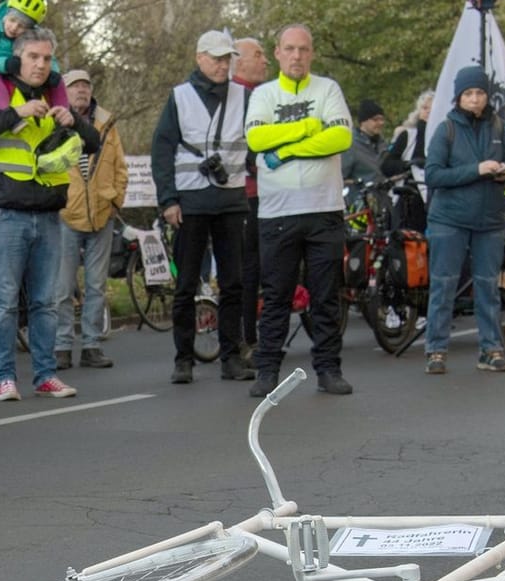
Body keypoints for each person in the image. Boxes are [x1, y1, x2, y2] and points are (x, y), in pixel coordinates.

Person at [0, 25, 97, 401]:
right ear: (18, 57)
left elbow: (95, 143)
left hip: (48, 214)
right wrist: (15, 113)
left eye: (46, 58)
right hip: (4, 213)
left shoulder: (56, 94)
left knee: (46, 301)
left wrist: (74, 121)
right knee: (5, 300)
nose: (40, 65)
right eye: (33, 57)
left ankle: (45, 375)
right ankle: (5, 379)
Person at [244, 24, 354, 397]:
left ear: (312, 53)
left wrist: (286, 149)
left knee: (325, 295)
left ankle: (328, 369)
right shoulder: (263, 94)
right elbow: (257, 138)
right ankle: (267, 371)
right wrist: (308, 127)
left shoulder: (328, 89)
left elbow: (340, 136)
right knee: (276, 295)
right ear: (277, 52)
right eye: (289, 49)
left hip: (324, 208)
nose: (296, 56)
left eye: (303, 49)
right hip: (277, 212)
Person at [152, 29, 251, 383]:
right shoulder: (179, 97)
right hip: (190, 202)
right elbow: (162, 149)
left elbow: (254, 145)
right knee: (186, 284)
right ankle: (183, 359)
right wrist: (168, 199)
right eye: (216, 58)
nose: (223, 65)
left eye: (227, 59)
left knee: (234, 283)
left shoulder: (244, 95)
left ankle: (231, 357)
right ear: (200, 58)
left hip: (231, 200)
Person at [421, 66, 505, 375]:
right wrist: (477, 169)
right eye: (469, 94)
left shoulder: (499, 126)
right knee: (444, 285)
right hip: (449, 219)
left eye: (480, 93)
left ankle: (491, 349)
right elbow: (433, 174)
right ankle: (436, 350)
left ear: (488, 95)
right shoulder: (445, 129)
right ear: (459, 97)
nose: (475, 99)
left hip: (490, 219)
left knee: (488, 287)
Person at [55, 68, 125, 371]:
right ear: (65, 91)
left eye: (85, 85)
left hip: (101, 212)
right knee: (62, 286)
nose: (81, 90)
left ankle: (92, 345)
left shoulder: (106, 123)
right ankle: (61, 345)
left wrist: (114, 201)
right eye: (74, 86)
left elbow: (120, 167)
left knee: (97, 284)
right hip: (65, 213)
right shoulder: (55, 120)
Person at [231, 37, 269, 361]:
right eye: (258, 55)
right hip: (243, 194)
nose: (266, 61)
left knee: (257, 268)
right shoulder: (238, 96)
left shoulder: (259, 95)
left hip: (263, 194)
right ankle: (246, 339)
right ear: (238, 61)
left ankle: (254, 336)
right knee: (246, 269)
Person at [0, 0, 67, 109]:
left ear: (29, 29)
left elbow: (46, 54)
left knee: (57, 79)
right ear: (6, 14)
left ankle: (62, 113)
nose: (14, 28)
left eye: (21, 26)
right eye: (12, 20)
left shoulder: (33, 36)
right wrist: (5, 64)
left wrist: (53, 71)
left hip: (20, 71)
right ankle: (7, 111)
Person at [381, 89, 435, 230]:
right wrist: (408, 164)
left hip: (435, 198)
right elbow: (386, 166)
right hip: (408, 200)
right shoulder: (408, 135)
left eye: (433, 108)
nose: (428, 111)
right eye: (425, 108)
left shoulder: (447, 136)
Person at [345, 99, 387, 186]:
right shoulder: (350, 145)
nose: (381, 123)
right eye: (376, 120)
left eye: (382, 119)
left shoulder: (382, 144)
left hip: (383, 195)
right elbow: (340, 177)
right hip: (358, 197)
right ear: (363, 121)